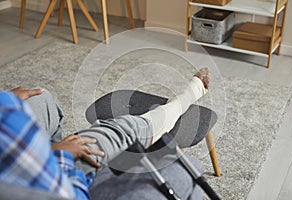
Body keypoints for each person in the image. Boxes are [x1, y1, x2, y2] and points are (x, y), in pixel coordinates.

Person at [0, 68, 210, 199]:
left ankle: (50, 147)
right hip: (59, 182)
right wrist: (59, 157)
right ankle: (172, 109)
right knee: (122, 131)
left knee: (40, 98)